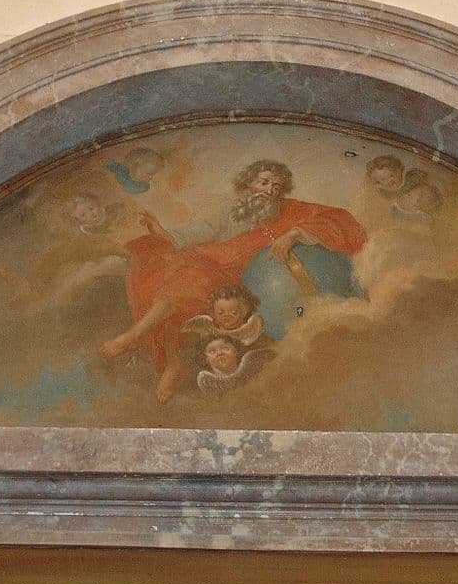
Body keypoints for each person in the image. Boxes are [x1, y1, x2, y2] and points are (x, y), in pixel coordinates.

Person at [99, 160, 366, 402]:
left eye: (276, 187)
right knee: (178, 276)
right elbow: (200, 231)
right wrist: (162, 231)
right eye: (263, 182)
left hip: (242, 279)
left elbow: (340, 218)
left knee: (189, 284)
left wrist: (294, 233)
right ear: (249, 183)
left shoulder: (291, 210)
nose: (269, 190)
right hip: (216, 263)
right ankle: (162, 354)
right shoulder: (232, 210)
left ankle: (151, 346)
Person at [180, 283, 270, 350]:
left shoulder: (251, 331)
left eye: (233, 313)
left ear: (244, 312)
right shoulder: (210, 331)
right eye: (220, 313)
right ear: (213, 313)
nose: (226, 316)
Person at [365, 154, 443, 222]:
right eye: (383, 179)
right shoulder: (386, 194)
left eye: (391, 175)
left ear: (399, 170)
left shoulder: (412, 179)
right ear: (378, 183)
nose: (389, 180)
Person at [193, 333, 277, 395]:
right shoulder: (206, 379)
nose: (219, 353)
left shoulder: (249, 363)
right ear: (206, 358)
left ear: (235, 351)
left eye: (225, 348)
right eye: (212, 351)